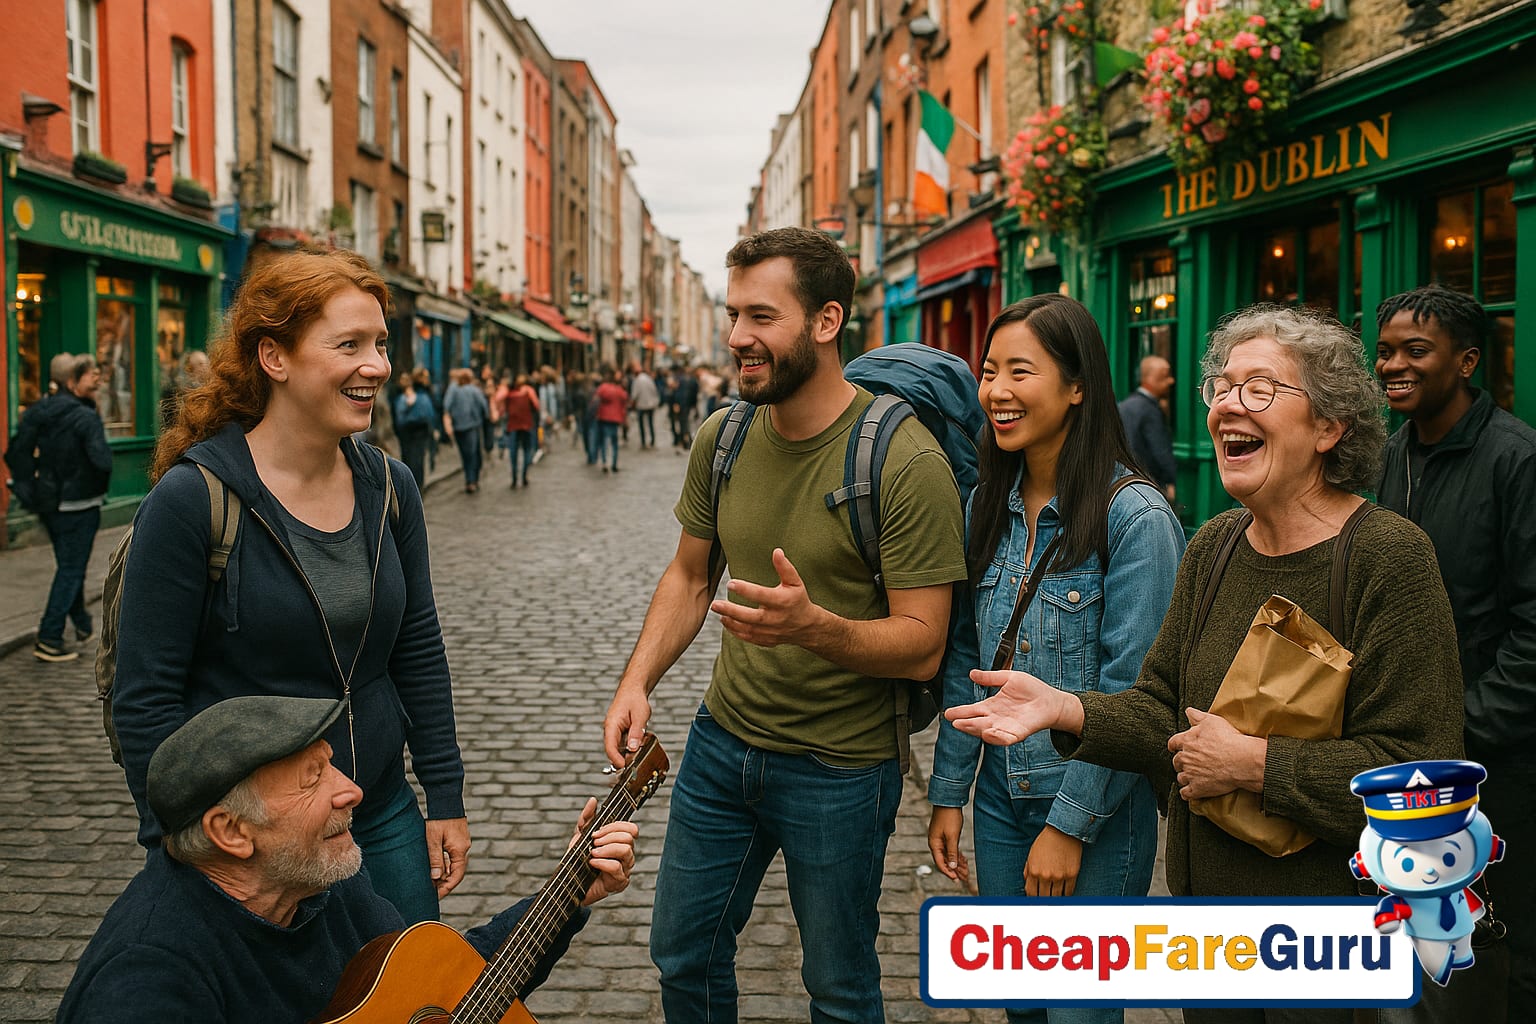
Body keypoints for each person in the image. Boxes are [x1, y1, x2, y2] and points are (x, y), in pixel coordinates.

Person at [945, 305, 1464, 1024]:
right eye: (1221, 387)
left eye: (1258, 389)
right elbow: (1158, 704)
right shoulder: (1216, 544)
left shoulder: (1388, 556)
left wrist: (1255, 764)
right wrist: (1067, 708)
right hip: (1211, 932)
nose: (1226, 405)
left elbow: (1428, 775)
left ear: (1328, 427)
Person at [603, 226, 967, 1023]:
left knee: (838, 986)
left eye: (762, 317)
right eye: (734, 315)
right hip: (720, 746)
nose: (738, 338)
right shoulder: (724, 437)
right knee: (682, 955)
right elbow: (690, 574)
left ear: (827, 321)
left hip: (840, 768)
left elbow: (922, 645)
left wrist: (814, 628)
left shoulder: (902, 463)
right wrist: (637, 681)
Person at [113, 249, 469, 927]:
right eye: (349, 345)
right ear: (274, 358)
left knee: (410, 983)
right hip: (261, 837)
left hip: (379, 804)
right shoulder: (193, 500)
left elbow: (418, 649)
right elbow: (146, 698)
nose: (378, 366)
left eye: (381, 344)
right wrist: (182, 850)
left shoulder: (392, 487)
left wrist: (444, 796)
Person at [58, 694, 636, 1024]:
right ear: (230, 831)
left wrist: (569, 890)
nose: (351, 790)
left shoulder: (318, 882)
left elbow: (454, 986)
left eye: (331, 762)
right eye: (313, 778)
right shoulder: (147, 984)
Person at [927, 296, 1184, 1024]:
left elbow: (1133, 695)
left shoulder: (1135, 517)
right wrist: (951, 790)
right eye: (988, 372)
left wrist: (1068, 827)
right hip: (1002, 801)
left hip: (1098, 813)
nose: (997, 392)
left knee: (1078, 1013)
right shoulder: (987, 500)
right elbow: (969, 660)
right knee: (1021, 1007)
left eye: (1020, 372)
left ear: (1077, 386)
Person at [1375, 284, 1536, 1020]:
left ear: (1467, 360)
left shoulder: (1517, 461)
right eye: (1385, 351)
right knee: (1411, 941)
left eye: (1416, 350)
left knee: (1500, 947)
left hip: (1492, 764)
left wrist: (1467, 731)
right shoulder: (1384, 458)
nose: (1394, 365)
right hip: (1401, 756)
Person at [4, 353, 112, 663]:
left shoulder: (40, 411)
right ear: (72, 381)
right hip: (79, 504)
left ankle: (81, 622)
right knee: (71, 568)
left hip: (49, 502)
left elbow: (15, 453)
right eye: (91, 377)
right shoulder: (85, 417)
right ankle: (50, 637)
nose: (96, 382)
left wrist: (30, 489)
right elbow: (102, 461)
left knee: (68, 563)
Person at [1117, 354, 1178, 503]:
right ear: (1151, 379)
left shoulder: (1124, 406)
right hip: (1150, 484)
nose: (1171, 381)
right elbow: (1160, 451)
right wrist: (1171, 480)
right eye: (1165, 377)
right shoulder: (1150, 410)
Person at [442, 368, 489, 494]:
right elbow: (484, 406)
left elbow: (447, 405)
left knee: (465, 454)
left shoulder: (453, 389)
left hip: (458, 427)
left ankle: (470, 479)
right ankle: (472, 480)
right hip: (472, 426)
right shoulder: (475, 390)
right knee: (473, 454)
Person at [392, 370, 436, 490]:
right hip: (409, 432)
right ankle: (414, 486)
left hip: (416, 431)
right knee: (411, 459)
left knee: (415, 459)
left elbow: (429, 412)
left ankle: (416, 487)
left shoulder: (419, 395)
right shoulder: (401, 397)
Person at [500, 372, 540, 488]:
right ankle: (524, 475)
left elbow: (503, 407)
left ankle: (514, 477)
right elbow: (536, 405)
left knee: (514, 451)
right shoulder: (529, 391)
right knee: (527, 450)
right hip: (527, 425)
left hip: (513, 425)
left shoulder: (510, 393)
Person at [160, 349, 211, 431]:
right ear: (190, 368)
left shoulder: (210, 389)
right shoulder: (179, 391)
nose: (206, 368)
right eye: (201, 364)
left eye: (207, 363)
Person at [592, 366, 629, 474]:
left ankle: (605, 462)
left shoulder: (603, 388)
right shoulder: (619, 390)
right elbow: (625, 402)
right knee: (614, 442)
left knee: (604, 441)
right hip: (616, 419)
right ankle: (614, 463)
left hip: (604, 418)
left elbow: (595, 400)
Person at [629, 364, 661, 449]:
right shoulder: (648, 378)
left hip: (642, 405)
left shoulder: (637, 380)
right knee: (650, 423)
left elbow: (634, 394)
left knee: (642, 424)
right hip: (651, 404)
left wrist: (631, 403)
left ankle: (643, 442)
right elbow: (654, 390)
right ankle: (652, 440)